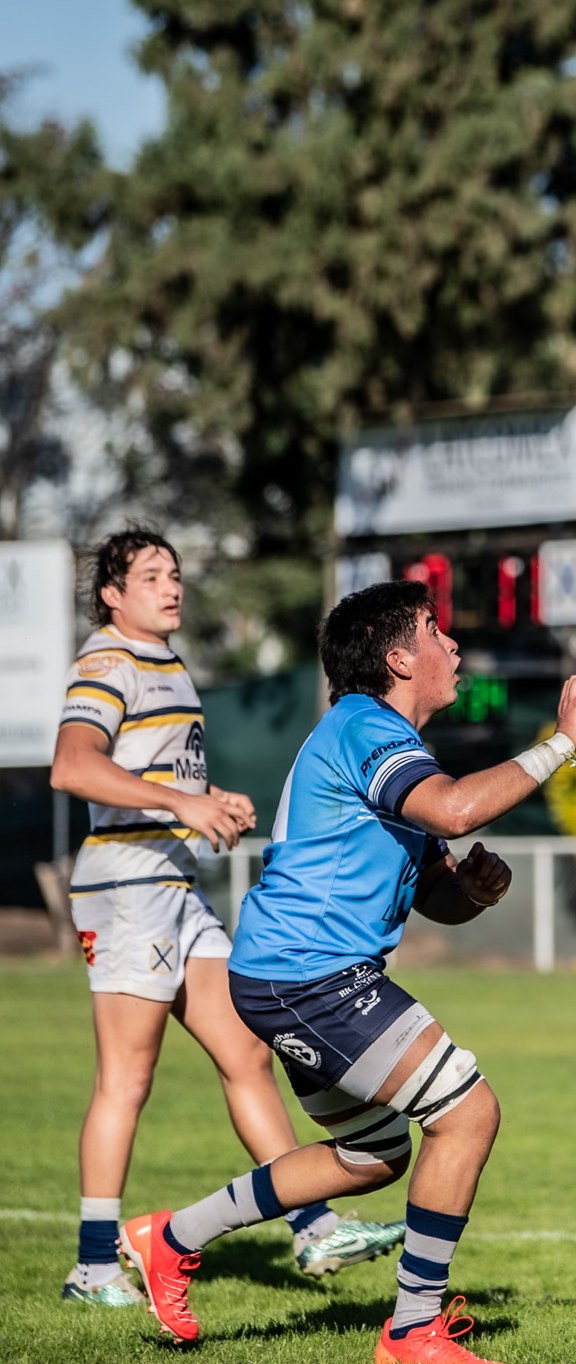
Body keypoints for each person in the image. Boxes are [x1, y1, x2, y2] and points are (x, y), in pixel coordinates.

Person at [117, 580, 576, 1364]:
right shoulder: (366, 729)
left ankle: (169, 1238)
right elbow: (457, 810)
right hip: (310, 976)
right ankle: (412, 1330)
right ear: (400, 657)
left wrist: (470, 892)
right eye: (436, 630)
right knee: (467, 1114)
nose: (454, 646)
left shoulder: (385, 741)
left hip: (290, 974)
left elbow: (436, 888)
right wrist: (560, 744)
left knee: (374, 1156)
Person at [51, 528, 401, 1305]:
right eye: (150, 576)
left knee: (246, 1054)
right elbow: (72, 764)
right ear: (112, 594)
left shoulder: (165, 662)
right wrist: (182, 801)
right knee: (126, 1080)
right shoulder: (107, 660)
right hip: (126, 888)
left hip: (175, 886)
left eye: (174, 573)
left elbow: (159, 776)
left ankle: (313, 1230)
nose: (171, 586)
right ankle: (93, 1266)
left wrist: (208, 806)